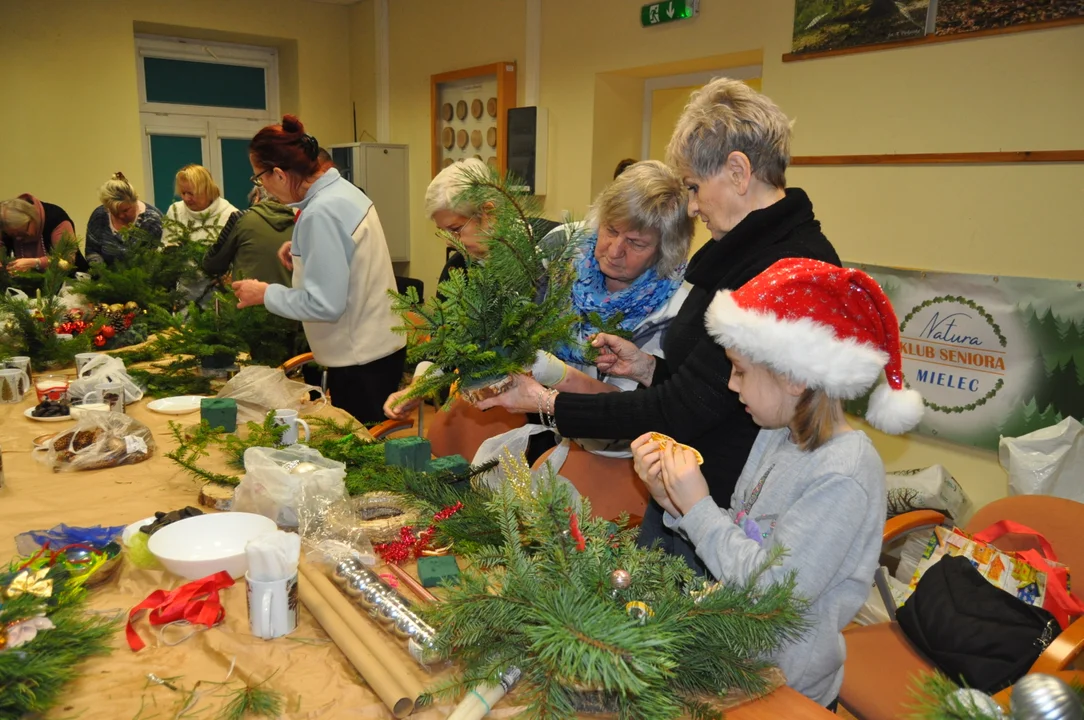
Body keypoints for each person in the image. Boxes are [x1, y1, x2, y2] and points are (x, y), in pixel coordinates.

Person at [475, 77, 842, 574]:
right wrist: (649, 367)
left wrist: (547, 403)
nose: (691, 205)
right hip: (686, 492)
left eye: (694, 187)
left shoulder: (783, 269)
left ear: (737, 171)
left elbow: (689, 409)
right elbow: (713, 386)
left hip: (725, 517)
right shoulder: (741, 254)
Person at [631, 258, 923, 707]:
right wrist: (672, 502)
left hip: (786, 686)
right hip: (734, 660)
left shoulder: (845, 473)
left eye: (741, 370)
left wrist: (698, 509)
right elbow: (746, 532)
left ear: (791, 377)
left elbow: (773, 595)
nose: (732, 385)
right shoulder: (775, 435)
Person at [384, 160, 695, 431]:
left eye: (636, 243)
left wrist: (551, 376)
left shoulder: (673, 312)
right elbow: (480, 335)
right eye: (610, 230)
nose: (614, 251)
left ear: (665, 250)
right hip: (549, 429)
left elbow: (633, 410)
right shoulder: (564, 251)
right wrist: (425, 381)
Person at [232, 114, 405, 424]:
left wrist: (265, 294)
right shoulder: (343, 193)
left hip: (360, 360)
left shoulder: (321, 213)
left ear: (280, 175)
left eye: (259, 178)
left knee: (360, 457)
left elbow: (325, 304)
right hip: (377, 349)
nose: (263, 188)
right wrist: (303, 255)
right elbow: (350, 258)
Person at [203, 185, 294, 287]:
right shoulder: (300, 221)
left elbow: (212, 264)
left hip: (248, 298)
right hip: (288, 299)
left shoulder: (241, 218)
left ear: (257, 197)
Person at [85, 172, 163, 265]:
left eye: (126, 210)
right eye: (114, 212)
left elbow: (159, 261)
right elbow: (92, 251)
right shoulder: (100, 216)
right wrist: (102, 272)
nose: (121, 216)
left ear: (135, 200)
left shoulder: (152, 220)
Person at [1, 195, 88, 273]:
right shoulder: (5, 225)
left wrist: (36, 263)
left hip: (71, 283)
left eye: (23, 232)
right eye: (14, 235)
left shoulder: (56, 218)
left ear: (32, 217)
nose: (19, 238)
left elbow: (67, 260)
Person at [161, 164, 237, 245]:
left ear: (207, 190)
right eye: (183, 193)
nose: (186, 198)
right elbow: (165, 246)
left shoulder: (231, 215)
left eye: (191, 193)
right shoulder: (175, 210)